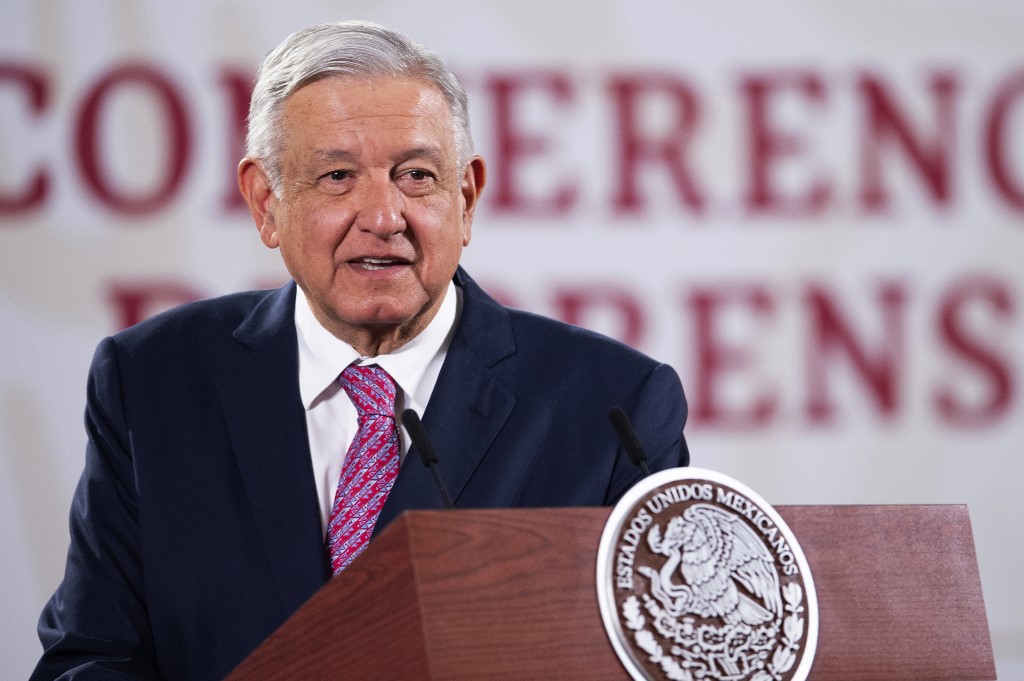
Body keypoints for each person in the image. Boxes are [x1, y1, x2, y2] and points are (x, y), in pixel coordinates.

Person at [32, 20, 689, 681]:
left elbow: (663, 657)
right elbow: (89, 660)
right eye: (339, 175)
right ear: (266, 203)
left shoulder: (613, 410)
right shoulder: (154, 383)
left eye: (417, 175)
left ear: (465, 199)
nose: (383, 215)